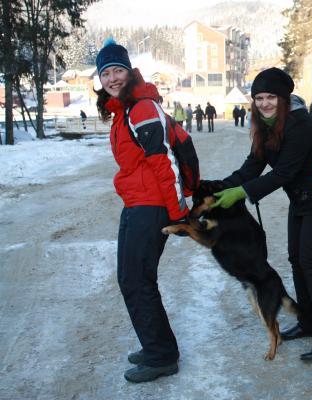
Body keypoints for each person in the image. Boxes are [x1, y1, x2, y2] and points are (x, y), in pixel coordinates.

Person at [210, 67, 312, 361]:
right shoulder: (264, 127)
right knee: (296, 260)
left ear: (284, 98)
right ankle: (309, 321)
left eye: (271, 97)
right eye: (259, 98)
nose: (264, 103)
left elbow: (285, 172)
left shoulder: (300, 124)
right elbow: (251, 167)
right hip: (302, 198)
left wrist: (243, 193)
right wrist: (216, 190)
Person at [95, 39, 187, 383]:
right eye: (106, 73)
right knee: (130, 278)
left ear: (129, 71)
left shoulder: (141, 108)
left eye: (118, 70)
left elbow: (164, 162)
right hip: (135, 202)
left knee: (137, 280)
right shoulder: (124, 110)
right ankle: (157, 346)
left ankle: (162, 355)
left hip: (152, 206)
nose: (113, 78)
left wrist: (177, 211)